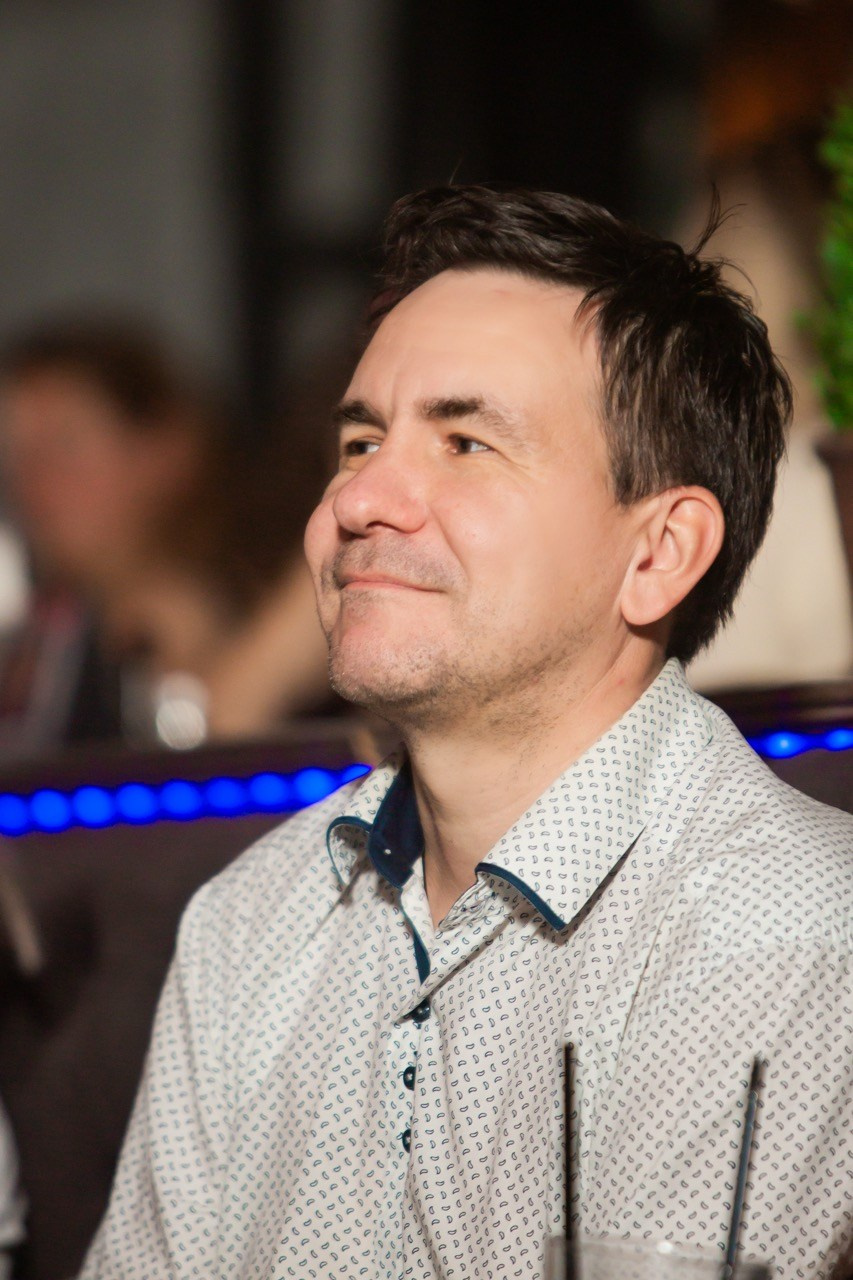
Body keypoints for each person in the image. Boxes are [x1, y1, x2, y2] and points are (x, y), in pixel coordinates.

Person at [80, 187, 852, 1279]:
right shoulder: (251, 918)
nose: (360, 500)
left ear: (659, 552)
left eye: (464, 442)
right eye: (359, 441)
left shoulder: (778, 931)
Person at [0, 318, 330, 750]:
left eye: (65, 444)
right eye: (16, 454)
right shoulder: (46, 631)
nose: (32, 481)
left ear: (167, 449)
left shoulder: (178, 621)